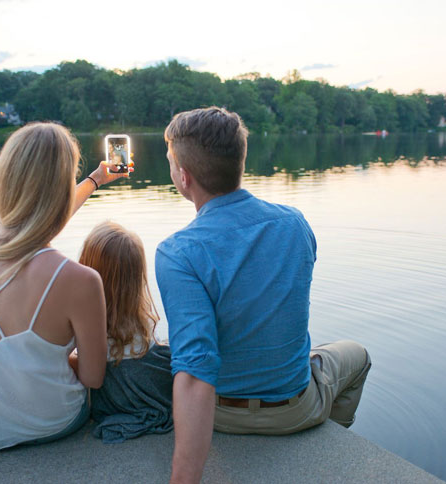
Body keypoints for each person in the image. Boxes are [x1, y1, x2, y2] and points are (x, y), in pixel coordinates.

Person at [155, 107, 372, 483]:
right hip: (293, 411)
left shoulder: (178, 252)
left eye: (172, 162)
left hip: (220, 415)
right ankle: (329, 444)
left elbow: (195, 371)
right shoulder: (295, 224)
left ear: (184, 177)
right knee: (357, 355)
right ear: (240, 161)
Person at [0, 122, 130, 452]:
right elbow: (93, 378)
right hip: (45, 423)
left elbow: (33, 225)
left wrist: (95, 180)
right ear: (60, 188)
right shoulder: (81, 281)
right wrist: (61, 356)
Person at [78, 221, 173, 443]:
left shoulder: (89, 323)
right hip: (145, 373)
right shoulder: (141, 322)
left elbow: (89, 372)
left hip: (114, 392)